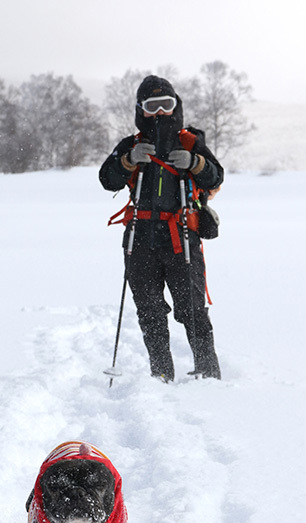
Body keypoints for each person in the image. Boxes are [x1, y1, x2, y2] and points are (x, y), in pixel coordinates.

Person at [99, 75, 224, 381]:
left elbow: (216, 178)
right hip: (140, 239)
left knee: (191, 309)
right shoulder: (132, 144)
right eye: (152, 106)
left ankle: (208, 373)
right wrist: (128, 160)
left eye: (166, 105)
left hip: (181, 236)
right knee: (150, 311)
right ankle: (161, 374)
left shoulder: (191, 142)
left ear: (175, 106)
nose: (159, 113)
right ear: (141, 109)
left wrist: (196, 163)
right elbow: (107, 180)